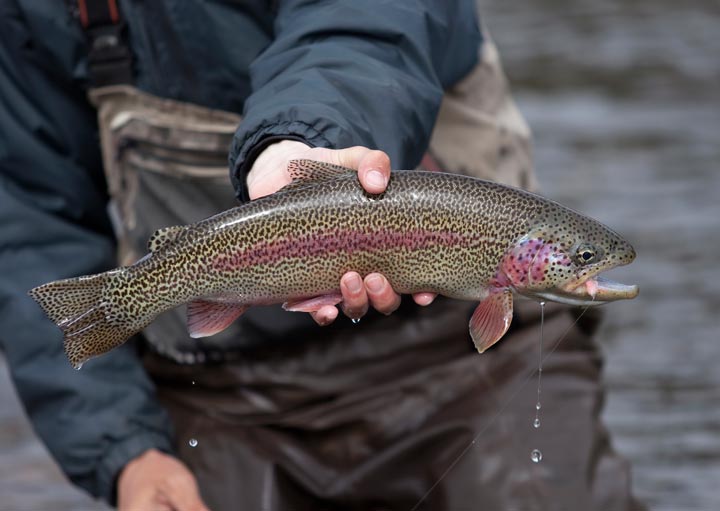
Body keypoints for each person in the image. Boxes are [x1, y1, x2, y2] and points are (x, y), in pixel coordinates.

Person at [0, 1, 645, 510]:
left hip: (463, 368)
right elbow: (30, 221)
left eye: (581, 255)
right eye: (582, 255)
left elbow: (368, 25)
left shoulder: (498, 300)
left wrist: (304, 139)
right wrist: (124, 452)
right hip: (223, 391)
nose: (588, 262)